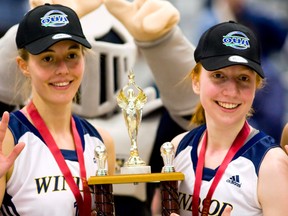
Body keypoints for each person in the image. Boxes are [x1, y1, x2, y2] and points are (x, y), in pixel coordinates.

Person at [0, 4, 115, 215]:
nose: (62, 70)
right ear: (24, 66)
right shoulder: (8, 139)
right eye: (47, 58)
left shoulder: (101, 142)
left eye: (72, 56)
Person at [170, 21, 288, 215]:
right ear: (196, 81)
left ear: (256, 86)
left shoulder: (271, 166)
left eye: (243, 78)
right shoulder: (177, 148)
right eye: (218, 75)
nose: (231, 91)